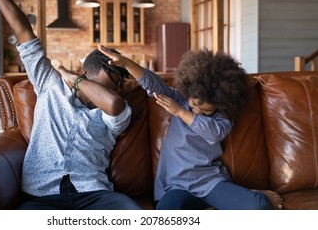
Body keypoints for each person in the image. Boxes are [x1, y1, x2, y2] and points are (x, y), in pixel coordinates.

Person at [0, 0, 141, 210]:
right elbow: (24, 31)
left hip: (94, 194)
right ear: (85, 73)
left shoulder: (115, 113)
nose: (117, 86)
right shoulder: (50, 84)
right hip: (41, 196)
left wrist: (73, 79)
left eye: (120, 83)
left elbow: (113, 104)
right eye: (112, 78)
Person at [98, 44, 284, 210]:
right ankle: (233, 196)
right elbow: (153, 84)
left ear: (221, 104)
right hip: (175, 185)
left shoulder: (223, 117)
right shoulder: (180, 99)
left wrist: (181, 112)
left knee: (259, 206)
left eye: (206, 111)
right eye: (194, 106)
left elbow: (214, 133)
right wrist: (126, 63)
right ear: (188, 92)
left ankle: (240, 195)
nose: (198, 112)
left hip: (209, 182)